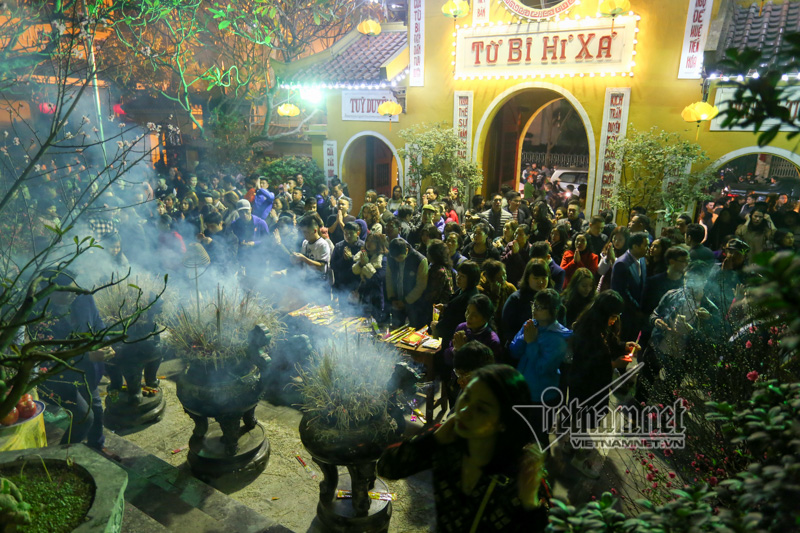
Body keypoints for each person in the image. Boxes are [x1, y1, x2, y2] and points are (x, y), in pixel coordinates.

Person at [377, 364, 549, 533]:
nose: (465, 411)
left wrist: (531, 505)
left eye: (481, 409)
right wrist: (433, 439)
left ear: (503, 423)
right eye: (466, 397)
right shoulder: (448, 444)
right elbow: (387, 467)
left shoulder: (523, 476)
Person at [35, 269, 117, 457]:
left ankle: (97, 445)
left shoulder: (84, 298)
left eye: (75, 288)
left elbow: (98, 324)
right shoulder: (39, 314)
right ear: (51, 292)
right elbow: (48, 354)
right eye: (68, 291)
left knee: (96, 408)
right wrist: (88, 356)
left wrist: (106, 344)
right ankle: (62, 457)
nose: (75, 294)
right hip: (59, 376)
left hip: (88, 371)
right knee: (83, 417)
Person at [568, 291, 640, 478]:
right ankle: (578, 458)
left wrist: (625, 345)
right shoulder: (588, 330)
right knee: (581, 418)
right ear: (604, 313)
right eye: (613, 316)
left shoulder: (599, 325)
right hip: (585, 384)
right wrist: (615, 364)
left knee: (582, 418)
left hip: (594, 385)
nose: (615, 320)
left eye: (617, 316)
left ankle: (574, 443)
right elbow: (588, 362)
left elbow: (610, 343)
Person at [509, 289, 572, 450]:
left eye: (541, 307)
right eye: (534, 305)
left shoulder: (558, 338)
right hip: (523, 390)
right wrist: (524, 339)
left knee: (538, 440)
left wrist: (531, 343)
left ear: (554, 311)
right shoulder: (531, 325)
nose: (535, 309)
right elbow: (514, 351)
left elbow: (543, 368)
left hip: (542, 397)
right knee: (521, 435)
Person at [431, 260, 481, 360]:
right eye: (458, 275)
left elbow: (456, 319)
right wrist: (445, 307)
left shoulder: (470, 296)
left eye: (462, 276)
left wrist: (438, 326)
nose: (458, 278)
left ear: (471, 279)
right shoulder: (462, 289)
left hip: (455, 337)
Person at [501, 258, 551, 349]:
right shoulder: (516, 299)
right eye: (536, 278)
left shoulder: (551, 299)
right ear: (528, 278)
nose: (540, 282)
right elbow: (507, 328)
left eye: (544, 278)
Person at [443, 294, 503, 364]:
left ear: (486, 318)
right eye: (467, 311)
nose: (468, 317)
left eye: (474, 315)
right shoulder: (461, 328)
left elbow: (487, 370)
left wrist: (463, 352)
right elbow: (447, 359)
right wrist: (455, 350)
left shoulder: (492, 341)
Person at [386, 238, 430, 328]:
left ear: (406, 250)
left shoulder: (420, 260)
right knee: (396, 330)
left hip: (414, 304)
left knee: (414, 330)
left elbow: (421, 285)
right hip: (396, 301)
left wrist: (406, 301)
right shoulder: (390, 258)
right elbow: (389, 279)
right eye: (395, 258)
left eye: (400, 257)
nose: (398, 260)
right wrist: (392, 298)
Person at [643, 246, 689, 315]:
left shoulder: (687, 282)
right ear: (672, 262)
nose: (687, 264)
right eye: (683, 261)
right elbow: (646, 308)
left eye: (688, 261)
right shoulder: (653, 282)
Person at [352, 232, 388, 322]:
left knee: (376, 325)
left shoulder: (383, 260)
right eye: (367, 240)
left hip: (376, 297)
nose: (368, 243)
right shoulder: (362, 256)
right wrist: (360, 264)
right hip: (363, 296)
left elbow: (378, 278)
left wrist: (367, 264)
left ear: (379, 244)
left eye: (372, 241)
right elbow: (354, 273)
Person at [293, 215, 331, 287]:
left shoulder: (322, 244)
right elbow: (302, 263)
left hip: (319, 282)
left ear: (315, 230)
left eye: (306, 232)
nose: (304, 235)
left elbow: (321, 267)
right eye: (302, 232)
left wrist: (303, 258)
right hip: (306, 280)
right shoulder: (305, 242)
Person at [330, 221, 364, 294]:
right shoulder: (339, 246)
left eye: (351, 233)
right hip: (341, 284)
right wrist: (343, 259)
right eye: (345, 233)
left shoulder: (362, 246)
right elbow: (333, 265)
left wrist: (351, 258)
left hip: (356, 286)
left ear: (357, 233)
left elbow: (364, 264)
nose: (348, 236)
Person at [501, 224, 532, 289]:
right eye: (516, 233)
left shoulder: (530, 249)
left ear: (527, 236)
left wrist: (516, 254)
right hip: (508, 280)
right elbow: (502, 261)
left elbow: (526, 269)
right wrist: (511, 253)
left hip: (522, 283)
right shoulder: (510, 245)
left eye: (520, 235)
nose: (516, 236)